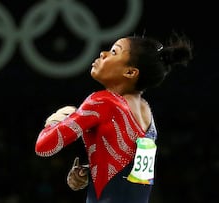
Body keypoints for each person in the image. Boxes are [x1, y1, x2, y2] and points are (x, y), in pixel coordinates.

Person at [34, 31, 193, 203]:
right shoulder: (146, 113)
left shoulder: (102, 102)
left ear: (131, 72)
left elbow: (44, 147)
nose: (103, 53)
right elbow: (133, 178)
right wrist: (91, 170)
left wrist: (56, 119)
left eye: (114, 52)